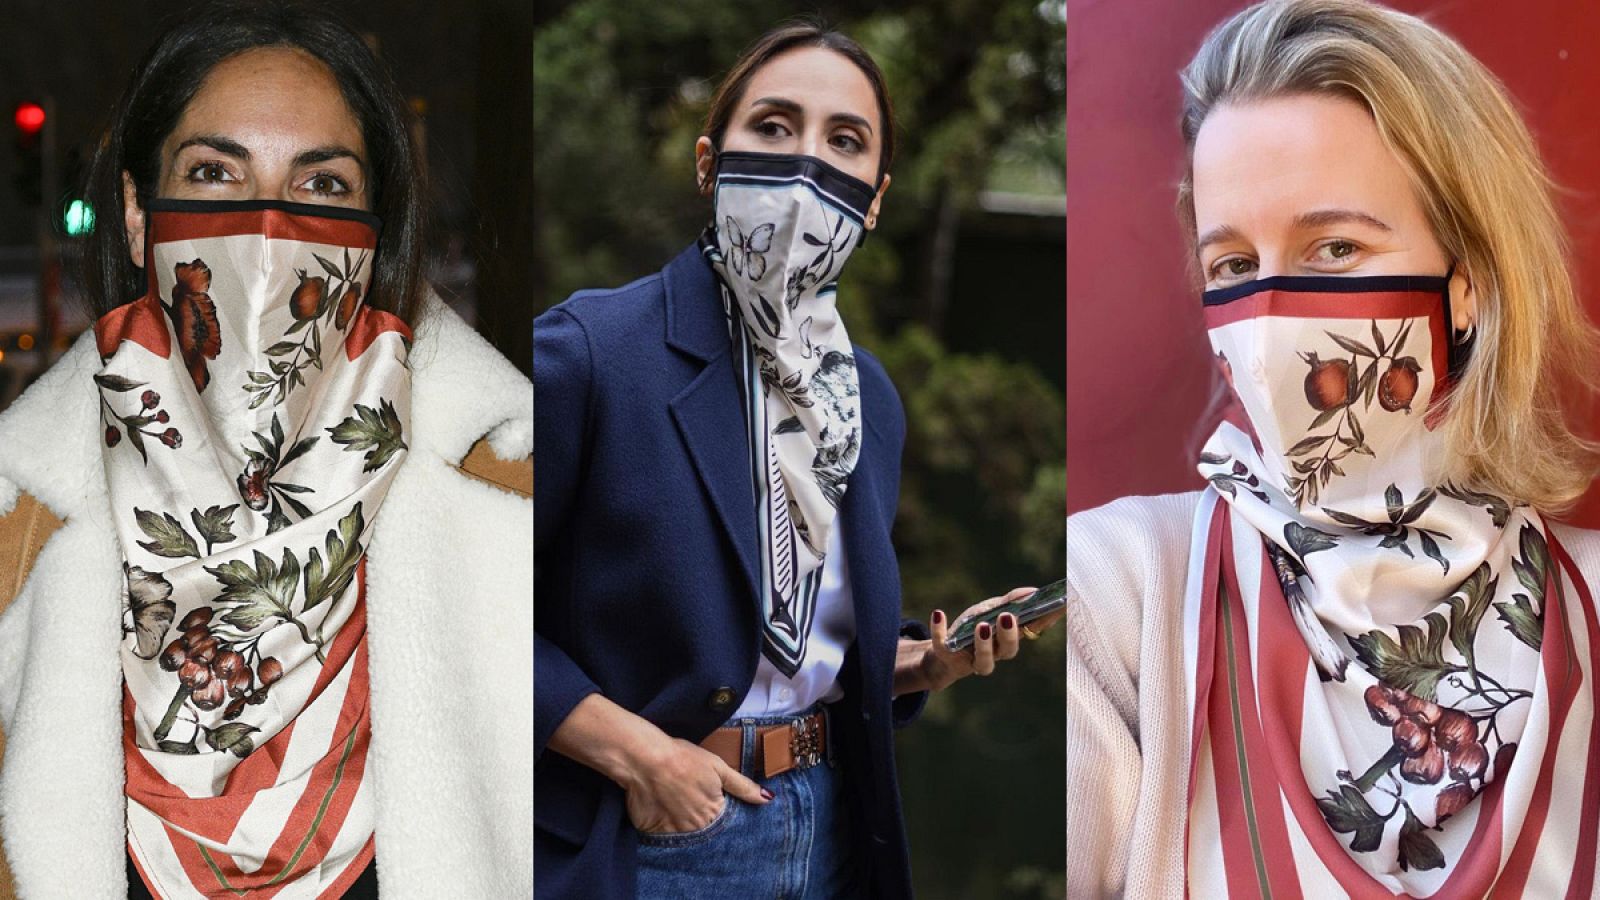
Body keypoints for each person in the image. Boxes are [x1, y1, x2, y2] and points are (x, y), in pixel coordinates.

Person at [1066, 0, 1600, 896]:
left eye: (1335, 247)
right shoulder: (1116, 595)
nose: (1271, 321)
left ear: (1464, 287)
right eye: (1233, 265)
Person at [0, 3, 533, 897]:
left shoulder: (515, 481)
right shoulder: (16, 514)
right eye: (213, 173)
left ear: (377, 226)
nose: (268, 231)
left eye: (322, 185)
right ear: (138, 214)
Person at [534, 21, 1059, 900]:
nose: (807, 165)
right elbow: (456, 599)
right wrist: (643, 761)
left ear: (876, 197)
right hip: (652, 838)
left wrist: (929, 663)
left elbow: (799, 642)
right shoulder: (591, 352)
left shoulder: (868, 400)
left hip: (828, 825)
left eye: (843, 141)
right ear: (710, 162)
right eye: (774, 128)